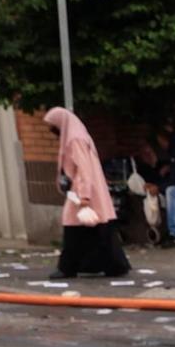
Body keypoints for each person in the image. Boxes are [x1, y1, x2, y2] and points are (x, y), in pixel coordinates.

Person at [43, 107, 130, 279]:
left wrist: (84, 196)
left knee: (73, 228)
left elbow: (83, 168)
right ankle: (113, 265)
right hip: (92, 190)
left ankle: (68, 267)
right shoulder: (80, 135)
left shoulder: (74, 139)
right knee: (99, 230)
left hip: (83, 191)